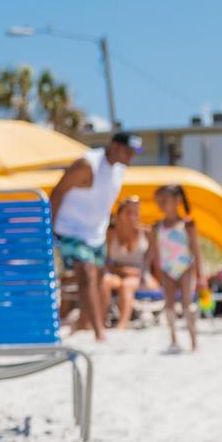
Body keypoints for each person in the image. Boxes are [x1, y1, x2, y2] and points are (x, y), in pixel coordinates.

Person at [50, 132, 139, 340]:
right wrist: (51, 227)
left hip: (96, 232)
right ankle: (99, 332)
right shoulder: (87, 164)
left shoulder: (119, 169)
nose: (131, 156)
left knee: (98, 279)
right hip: (70, 229)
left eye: (133, 153)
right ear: (114, 146)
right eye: (128, 151)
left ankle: (84, 325)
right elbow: (58, 192)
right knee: (86, 274)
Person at [149, 184, 204, 354]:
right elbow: (155, 251)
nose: (161, 205)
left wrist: (201, 275)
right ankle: (174, 339)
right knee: (169, 307)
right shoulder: (157, 226)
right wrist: (156, 271)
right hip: (167, 269)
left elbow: (196, 250)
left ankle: (194, 340)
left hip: (186, 267)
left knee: (188, 305)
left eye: (164, 201)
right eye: (159, 201)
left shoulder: (187, 224)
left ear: (177, 201)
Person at [101, 198, 148, 330]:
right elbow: (106, 262)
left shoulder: (147, 233)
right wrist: (122, 270)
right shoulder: (110, 233)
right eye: (129, 212)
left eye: (136, 212)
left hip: (142, 276)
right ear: (119, 214)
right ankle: (100, 322)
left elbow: (155, 263)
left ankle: (122, 325)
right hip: (118, 272)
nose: (133, 216)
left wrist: (138, 272)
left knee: (127, 284)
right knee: (106, 280)